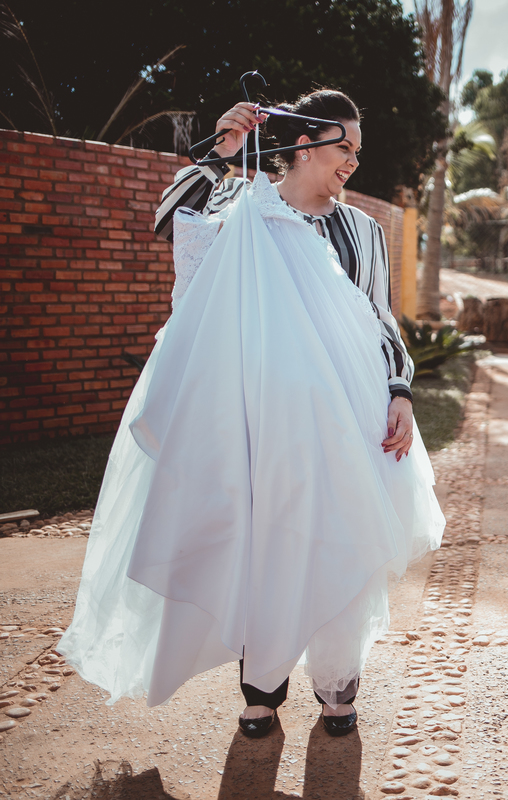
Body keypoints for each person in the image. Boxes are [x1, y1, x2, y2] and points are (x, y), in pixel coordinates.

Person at [58, 89, 444, 740]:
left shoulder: (363, 232)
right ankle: (261, 690)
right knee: (264, 543)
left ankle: (338, 687)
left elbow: (381, 321)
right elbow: (171, 219)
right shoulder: (241, 207)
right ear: (304, 144)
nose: (353, 160)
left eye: (358, 150)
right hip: (258, 418)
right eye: (344, 146)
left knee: (338, 538)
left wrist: (400, 393)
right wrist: (221, 150)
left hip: (347, 418)